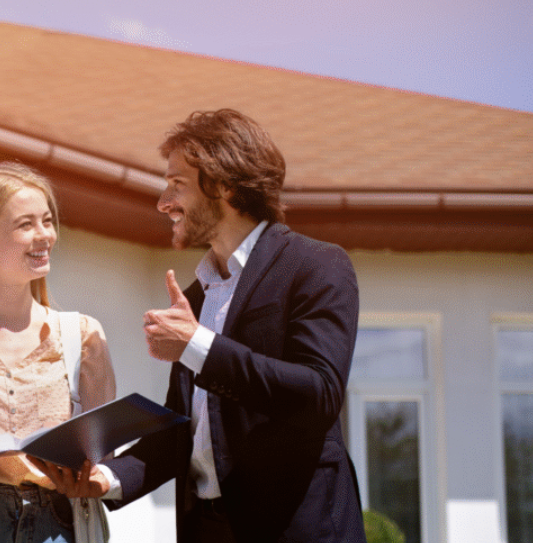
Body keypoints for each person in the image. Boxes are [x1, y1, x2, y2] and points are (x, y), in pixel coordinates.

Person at [38, 109, 367, 542]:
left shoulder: (316, 265)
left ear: (225, 184)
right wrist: (106, 477)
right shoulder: (197, 295)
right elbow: (183, 433)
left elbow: (318, 393)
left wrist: (197, 345)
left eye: (177, 184)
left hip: (294, 529)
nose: (163, 202)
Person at [0, 162, 116, 543]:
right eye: (25, 225)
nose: (44, 235)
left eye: (47, 221)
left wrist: (94, 472)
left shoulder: (83, 335)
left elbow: (104, 452)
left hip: (57, 518)